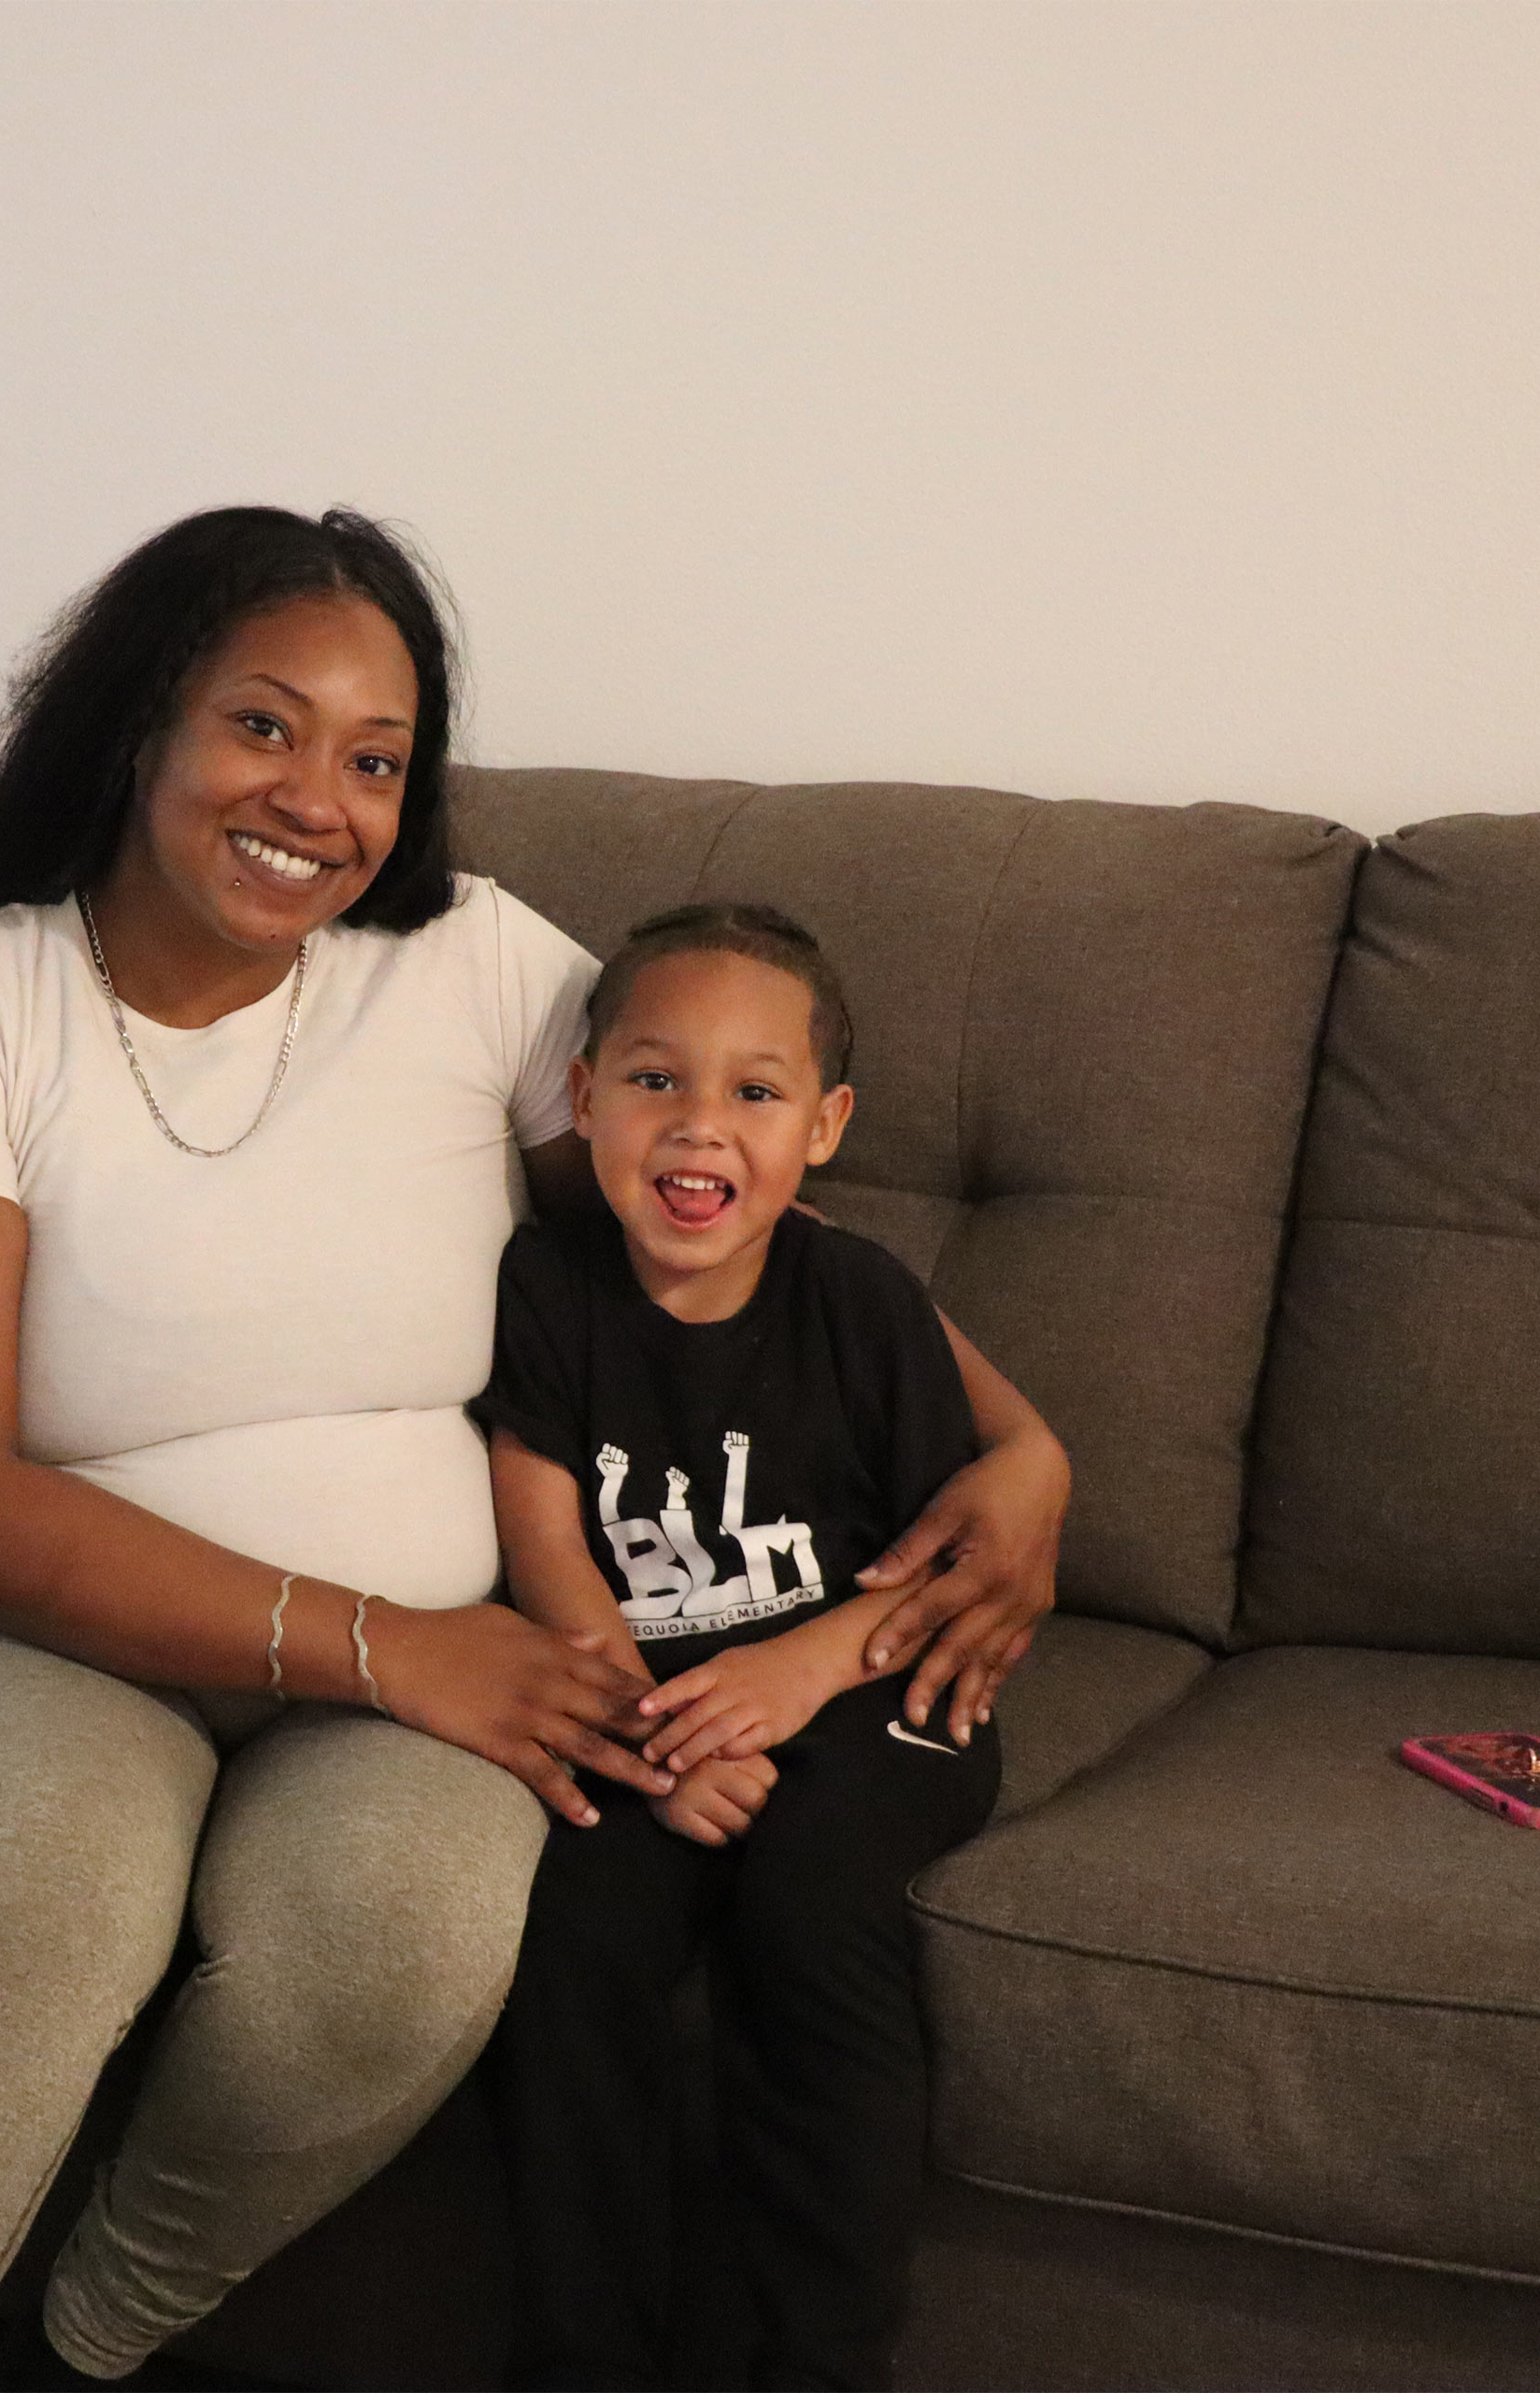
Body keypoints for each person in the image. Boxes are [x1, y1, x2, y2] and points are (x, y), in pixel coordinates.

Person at [0, 506, 1068, 2389]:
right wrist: (390, 1644)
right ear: (140, 718)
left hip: (415, 1674)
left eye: (377, 760)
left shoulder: (468, 962)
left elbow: (712, 1204)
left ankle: (90, 2341)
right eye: (263, 726)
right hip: (35, 1628)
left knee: (420, 1936)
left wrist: (1022, 1451)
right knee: (56, 1901)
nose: (320, 802)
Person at [478, 904, 996, 2392]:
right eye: (656, 1080)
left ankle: (819, 2363)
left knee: (814, 1902)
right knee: (574, 1931)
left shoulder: (865, 1302)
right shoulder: (545, 1287)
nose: (700, 1125)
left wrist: (796, 1676)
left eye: (755, 1092)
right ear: (584, 1098)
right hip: (641, 1698)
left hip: (867, 1685)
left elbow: (942, 1566)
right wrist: (657, 1739)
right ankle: (582, 2362)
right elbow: (545, 1543)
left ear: (823, 1127)